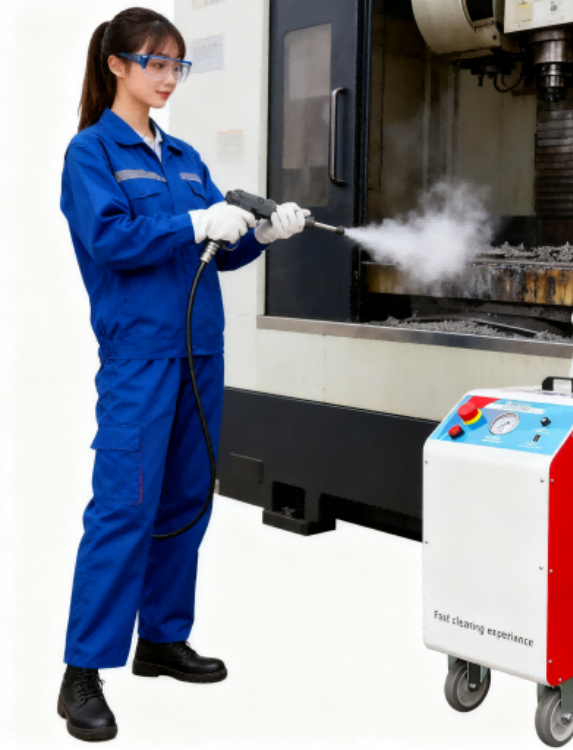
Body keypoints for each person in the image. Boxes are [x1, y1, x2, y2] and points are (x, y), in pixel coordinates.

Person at [58, 8, 308, 742]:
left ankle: (162, 639)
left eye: (178, 66)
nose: (169, 78)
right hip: (139, 357)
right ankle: (82, 672)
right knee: (124, 507)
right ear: (117, 65)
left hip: (200, 352)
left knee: (188, 499)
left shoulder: (186, 157)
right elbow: (110, 239)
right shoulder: (92, 153)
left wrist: (261, 234)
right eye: (156, 63)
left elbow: (216, 251)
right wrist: (194, 223)